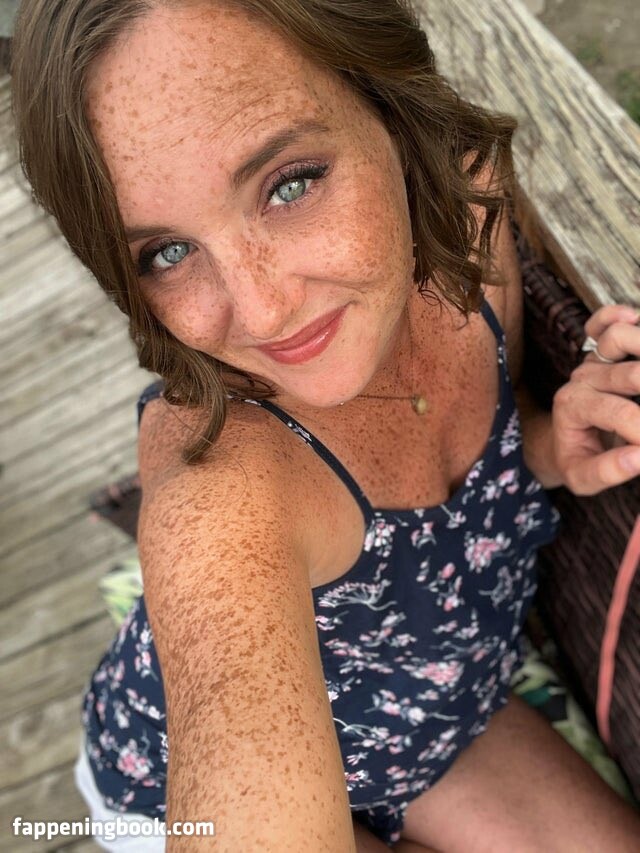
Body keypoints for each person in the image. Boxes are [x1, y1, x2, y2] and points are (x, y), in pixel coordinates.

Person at [10, 0, 640, 850]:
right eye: (167, 252)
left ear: (388, 103)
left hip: (432, 714)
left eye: (290, 184)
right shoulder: (223, 492)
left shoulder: (472, 222)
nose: (261, 310)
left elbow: (476, 464)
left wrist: (547, 446)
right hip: (165, 790)